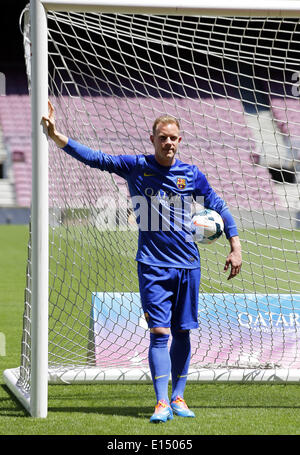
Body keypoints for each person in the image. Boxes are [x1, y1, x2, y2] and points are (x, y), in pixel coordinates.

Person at [42, 100, 242, 423]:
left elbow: (220, 206)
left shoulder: (191, 175)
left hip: (189, 266)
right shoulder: (137, 167)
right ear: (153, 140)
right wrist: (56, 136)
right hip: (152, 266)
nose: (169, 143)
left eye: (174, 137)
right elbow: (96, 158)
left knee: (184, 332)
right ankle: (161, 402)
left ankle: (178, 397)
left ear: (180, 140)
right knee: (160, 333)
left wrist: (236, 246)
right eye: (163, 137)